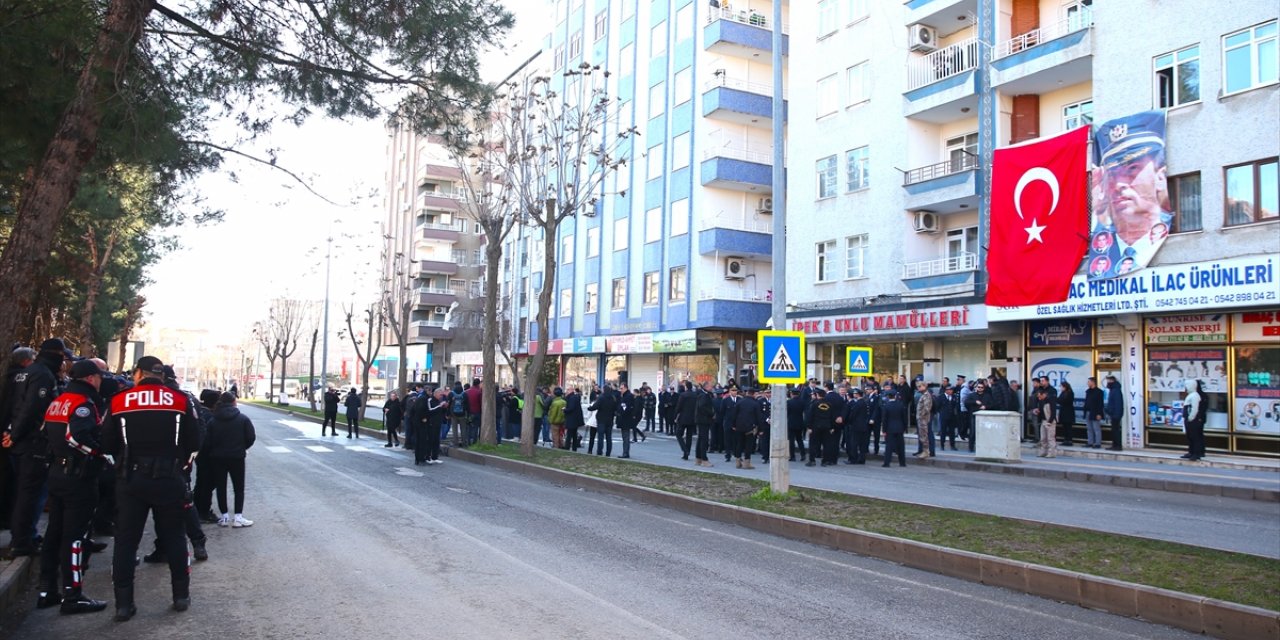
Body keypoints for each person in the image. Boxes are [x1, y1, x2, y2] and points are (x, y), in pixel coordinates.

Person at [101, 356, 201, 621]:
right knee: (175, 537)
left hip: (131, 478)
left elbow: (107, 442)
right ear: (161, 375)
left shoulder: (120, 400)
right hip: (170, 476)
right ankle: (180, 596)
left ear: (138, 373)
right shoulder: (180, 400)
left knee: (126, 541)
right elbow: (195, 439)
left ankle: (124, 604)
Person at [35, 359, 111, 614]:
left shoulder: (59, 401)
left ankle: (47, 589)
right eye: (100, 376)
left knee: (54, 533)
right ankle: (73, 594)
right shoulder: (83, 404)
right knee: (75, 536)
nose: (102, 380)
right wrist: (102, 454)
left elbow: (45, 433)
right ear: (90, 378)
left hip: (56, 472)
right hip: (78, 477)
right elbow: (77, 437)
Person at [1086, 112, 1173, 280]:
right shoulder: (1103, 247)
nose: (1119, 184)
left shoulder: (1159, 236)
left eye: (1132, 169)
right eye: (1112, 174)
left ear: (1160, 177)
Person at [5, 338, 69, 559]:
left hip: (20, 440)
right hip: (32, 442)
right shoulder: (42, 374)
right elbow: (32, 408)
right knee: (31, 494)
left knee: (24, 492)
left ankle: (24, 535)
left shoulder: (23, 372)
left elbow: (12, 404)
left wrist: (9, 432)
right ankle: (22, 540)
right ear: (56, 354)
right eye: (62, 356)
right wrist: (14, 435)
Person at [205, 392, 256, 528]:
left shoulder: (213, 420)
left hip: (217, 457)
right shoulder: (243, 419)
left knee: (221, 487)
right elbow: (251, 437)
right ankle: (238, 517)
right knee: (238, 487)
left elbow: (207, 441)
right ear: (234, 402)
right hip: (237, 457)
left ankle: (225, 517)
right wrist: (242, 447)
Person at [804, 382, 842, 467]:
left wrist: (809, 427)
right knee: (826, 445)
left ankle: (812, 460)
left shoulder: (814, 404)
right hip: (827, 427)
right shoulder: (829, 404)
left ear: (817, 395)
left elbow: (809, 416)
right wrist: (832, 427)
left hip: (815, 427)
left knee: (813, 444)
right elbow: (832, 417)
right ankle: (824, 461)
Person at [879, 390, 908, 467]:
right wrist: (905, 427)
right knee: (901, 446)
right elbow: (904, 418)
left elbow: (884, 419)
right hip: (899, 428)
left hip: (890, 428)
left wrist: (884, 430)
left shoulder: (886, 406)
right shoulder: (900, 405)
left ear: (888, 397)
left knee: (889, 446)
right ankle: (902, 462)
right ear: (895, 396)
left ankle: (887, 462)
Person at [587, 385, 617, 457]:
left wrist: (589, 408)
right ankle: (608, 452)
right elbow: (615, 408)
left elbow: (596, 406)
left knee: (600, 437)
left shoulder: (601, 397)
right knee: (609, 437)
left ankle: (600, 451)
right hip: (610, 420)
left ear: (604, 390)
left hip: (601, 420)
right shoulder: (613, 398)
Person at [844, 387, 871, 464]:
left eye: (855, 394)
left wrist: (849, 421)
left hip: (856, 426)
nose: (853, 395)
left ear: (857, 394)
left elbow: (853, 415)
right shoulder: (865, 403)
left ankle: (853, 459)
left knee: (854, 443)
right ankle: (862, 459)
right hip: (864, 426)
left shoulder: (858, 404)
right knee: (862, 443)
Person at [693, 381, 716, 467]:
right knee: (704, 440)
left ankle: (698, 458)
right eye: (710, 386)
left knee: (700, 439)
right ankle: (704, 459)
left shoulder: (703, 394)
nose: (712, 388)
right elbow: (702, 407)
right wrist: (712, 413)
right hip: (703, 420)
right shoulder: (704, 395)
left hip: (701, 420)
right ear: (706, 387)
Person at [1182, 379, 1206, 461]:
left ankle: (1196, 453)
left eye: (1187, 385)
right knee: (1190, 436)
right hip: (1189, 419)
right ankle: (1191, 452)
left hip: (1193, 420)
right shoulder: (1191, 395)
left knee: (1195, 436)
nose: (1186, 387)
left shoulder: (1195, 396)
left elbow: (1194, 408)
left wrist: (1191, 417)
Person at [616, 384, 641, 458]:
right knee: (625, 437)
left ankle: (625, 453)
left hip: (626, 419)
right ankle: (625, 452)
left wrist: (621, 412)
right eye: (620, 388)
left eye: (622, 388)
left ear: (626, 388)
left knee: (626, 437)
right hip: (624, 418)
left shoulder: (628, 396)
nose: (621, 390)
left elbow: (626, 408)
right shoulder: (625, 396)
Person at [674, 381, 698, 461]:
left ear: (686, 387)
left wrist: (675, 416)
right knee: (689, 436)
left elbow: (679, 406)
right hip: (692, 418)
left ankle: (685, 450)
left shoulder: (683, 395)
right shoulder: (695, 395)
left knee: (678, 434)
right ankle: (686, 454)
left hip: (683, 418)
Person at [1034, 387, 1058, 458]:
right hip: (1043, 421)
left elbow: (1053, 412)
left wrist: (1050, 421)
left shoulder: (1051, 400)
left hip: (1050, 421)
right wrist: (1037, 411)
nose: (1039, 398)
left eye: (1040, 396)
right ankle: (1043, 451)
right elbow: (1041, 411)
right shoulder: (1041, 401)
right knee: (1043, 438)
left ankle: (1052, 452)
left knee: (1050, 437)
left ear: (1044, 394)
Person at [936, 384, 960, 451]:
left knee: (952, 432)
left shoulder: (954, 396)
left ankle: (952, 445)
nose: (950, 391)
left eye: (951, 390)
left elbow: (956, 406)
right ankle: (942, 445)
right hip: (943, 417)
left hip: (952, 417)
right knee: (943, 431)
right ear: (946, 390)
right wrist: (941, 412)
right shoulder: (941, 397)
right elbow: (937, 407)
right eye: (948, 390)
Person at [914, 380, 934, 459]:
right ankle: (924, 451)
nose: (918, 388)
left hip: (923, 420)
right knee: (922, 436)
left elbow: (926, 408)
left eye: (920, 386)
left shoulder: (926, 395)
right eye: (917, 387)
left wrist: (921, 416)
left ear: (924, 386)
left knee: (924, 436)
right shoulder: (923, 395)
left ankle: (926, 451)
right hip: (921, 419)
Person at [1083, 377, 1105, 449]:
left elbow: (1100, 404)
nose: (1087, 383)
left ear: (1093, 382)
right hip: (1088, 411)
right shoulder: (1088, 391)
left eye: (1089, 382)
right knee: (1089, 428)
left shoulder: (1099, 392)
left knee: (1096, 428)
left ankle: (1097, 443)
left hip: (1095, 412)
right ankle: (1090, 442)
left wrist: (1099, 413)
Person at [786, 387, 807, 462]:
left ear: (791, 394)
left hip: (791, 423)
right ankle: (803, 454)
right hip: (800, 422)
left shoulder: (789, 402)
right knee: (800, 440)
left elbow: (787, 413)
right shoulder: (802, 402)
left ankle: (792, 456)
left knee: (791, 441)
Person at [1105, 375, 1125, 451]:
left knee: (1115, 430)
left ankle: (1117, 446)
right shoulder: (1113, 389)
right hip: (1114, 413)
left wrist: (1115, 413)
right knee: (1114, 430)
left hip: (1115, 414)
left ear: (1112, 381)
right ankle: (1115, 445)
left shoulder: (1115, 390)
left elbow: (1117, 403)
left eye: (1108, 380)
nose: (1107, 382)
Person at [564, 387, 585, 451]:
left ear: (571, 390)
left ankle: (567, 447)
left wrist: (565, 410)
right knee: (574, 434)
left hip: (571, 419)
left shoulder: (572, 398)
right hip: (575, 419)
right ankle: (574, 448)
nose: (566, 391)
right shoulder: (575, 397)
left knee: (570, 434)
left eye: (568, 390)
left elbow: (571, 408)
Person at [1057, 380, 1076, 447]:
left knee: (1068, 427)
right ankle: (1065, 439)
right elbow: (1058, 400)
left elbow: (1066, 401)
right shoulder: (1062, 393)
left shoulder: (1070, 393)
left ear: (1065, 387)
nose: (1061, 388)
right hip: (1063, 411)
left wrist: (1061, 401)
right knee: (1064, 426)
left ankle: (1069, 440)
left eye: (1061, 387)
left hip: (1068, 412)